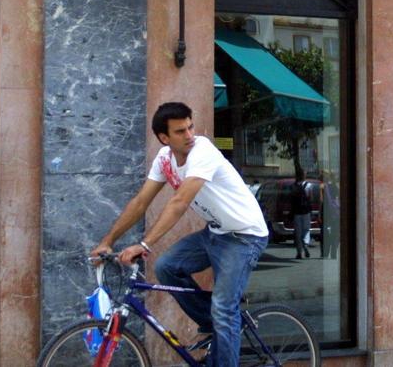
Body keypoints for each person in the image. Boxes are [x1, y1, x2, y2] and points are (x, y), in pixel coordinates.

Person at [91, 102, 268, 367]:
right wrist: (108, 240)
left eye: (190, 127)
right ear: (164, 137)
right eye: (180, 131)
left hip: (244, 237)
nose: (189, 135)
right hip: (216, 233)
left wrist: (144, 244)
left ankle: (222, 324)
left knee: (224, 308)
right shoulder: (165, 159)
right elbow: (141, 202)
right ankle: (218, 326)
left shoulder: (203, 151)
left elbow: (180, 202)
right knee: (166, 267)